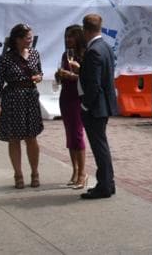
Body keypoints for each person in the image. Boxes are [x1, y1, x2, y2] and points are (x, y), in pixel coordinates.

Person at [0, 23, 44, 188]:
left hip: (30, 97)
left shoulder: (35, 54)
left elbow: (39, 72)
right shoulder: (5, 58)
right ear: (18, 39)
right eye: (28, 38)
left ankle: (35, 173)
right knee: (14, 138)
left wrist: (39, 77)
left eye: (31, 37)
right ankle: (18, 174)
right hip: (13, 99)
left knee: (31, 137)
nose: (30, 40)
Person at [79, 13, 118, 199]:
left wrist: (86, 104)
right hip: (105, 104)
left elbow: (93, 83)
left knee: (99, 147)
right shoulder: (106, 47)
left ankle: (104, 185)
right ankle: (108, 182)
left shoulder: (93, 50)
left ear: (85, 30)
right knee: (102, 145)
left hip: (95, 107)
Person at [54, 24, 87, 189]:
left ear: (79, 38)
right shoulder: (65, 54)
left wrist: (73, 75)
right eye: (66, 36)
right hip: (65, 96)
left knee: (77, 135)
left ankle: (82, 173)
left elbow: (86, 78)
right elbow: (63, 76)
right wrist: (59, 75)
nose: (68, 40)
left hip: (77, 98)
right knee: (70, 135)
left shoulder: (84, 55)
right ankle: (74, 170)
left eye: (71, 36)